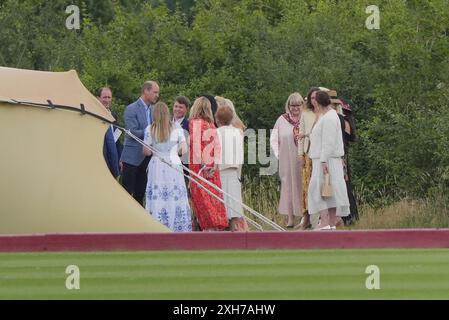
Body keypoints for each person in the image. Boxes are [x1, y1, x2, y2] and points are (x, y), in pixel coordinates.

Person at [143, 102, 192, 232]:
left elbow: (146, 151)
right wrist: (175, 150)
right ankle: (177, 226)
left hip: (157, 163)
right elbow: (184, 149)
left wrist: (155, 149)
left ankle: (157, 225)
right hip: (173, 163)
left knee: (159, 194)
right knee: (174, 193)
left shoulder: (150, 129)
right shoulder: (177, 127)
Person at [308, 90, 350, 230]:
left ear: (319, 103)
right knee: (327, 191)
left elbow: (328, 141)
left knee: (320, 190)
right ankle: (330, 223)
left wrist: (323, 160)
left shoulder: (330, 117)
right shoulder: (326, 116)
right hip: (323, 159)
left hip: (326, 160)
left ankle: (326, 221)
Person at [189, 97, 228, 231]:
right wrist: (215, 165)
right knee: (213, 196)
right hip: (212, 166)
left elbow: (196, 146)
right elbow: (218, 147)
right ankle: (217, 224)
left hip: (200, 166)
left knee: (201, 196)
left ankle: (207, 226)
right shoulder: (211, 124)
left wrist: (202, 165)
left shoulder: (195, 123)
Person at [120, 81, 160, 206]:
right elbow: (132, 131)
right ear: (146, 91)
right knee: (127, 192)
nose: (157, 95)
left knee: (141, 193)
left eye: (157, 93)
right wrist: (151, 132)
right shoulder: (131, 109)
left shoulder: (154, 110)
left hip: (148, 157)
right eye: (155, 92)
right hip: (132, 158)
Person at [270, 92, 304, 228]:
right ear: (288, 106)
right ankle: (290, 218)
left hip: (302, 159)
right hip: (286, 159)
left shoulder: (307, 119)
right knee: (288, 187)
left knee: (302, 185)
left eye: (298, 105)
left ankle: (304, 217)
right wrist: (278, 154)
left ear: (303, 105)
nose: (295, 108)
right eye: (292, 105)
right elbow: (274, 139)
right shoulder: (282, 120)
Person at [216, 103, 249, 232]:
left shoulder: (215, 133)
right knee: (234, 206)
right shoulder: (238, 133)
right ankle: (235, 228)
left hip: (220, 171)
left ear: (217, 119)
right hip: (234, 172)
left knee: (222, 205)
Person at [296, 87, 320, 230]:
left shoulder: (326, 113)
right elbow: (301, 134)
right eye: (312, 98)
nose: (314, 100)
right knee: (306, 187)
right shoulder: (306, 113)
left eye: (316, 97)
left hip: (320, 153)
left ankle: (321, 217)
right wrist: (300, 154)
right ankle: (306, 217)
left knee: (319, 186)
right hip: (308, 153)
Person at [340, 98, 359, 225]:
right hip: (342, 155)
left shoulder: (344, 121)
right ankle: (349, 216)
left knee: (345, 185)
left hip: (342, 156)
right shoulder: (345, 120)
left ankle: (350, 216)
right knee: (344, 186)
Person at [98, 87, 120, 178]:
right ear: (98, 98)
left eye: (109, 97)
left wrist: (120, 159)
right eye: (104, 97)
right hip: (101, 160)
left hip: (113, 160)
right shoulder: (94, 116)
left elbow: (117, 139)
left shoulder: (114, 115)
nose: (107, 100)